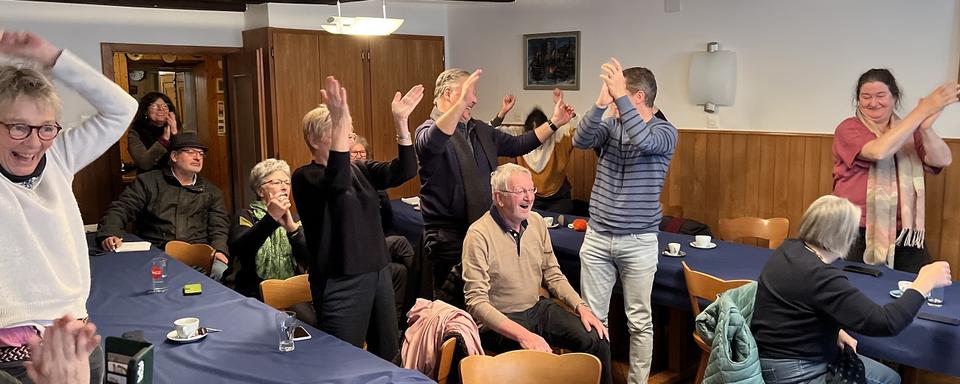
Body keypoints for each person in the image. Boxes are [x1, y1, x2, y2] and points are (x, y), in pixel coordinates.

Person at [0, 31, 138, 383]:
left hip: (75, 338)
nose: (33, 142)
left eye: (45, 128)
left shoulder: (59, 156)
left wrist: (51, 57)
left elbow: (122, 109)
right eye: (18, 127)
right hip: (12, 355)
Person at [752, 195, 953, 384]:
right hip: (795, 371)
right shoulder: (820, 276)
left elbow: (794, 310)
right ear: (845, 237)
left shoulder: (789, 250)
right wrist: (923, 284)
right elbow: (886, 323)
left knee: (887, 376)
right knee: (889, 380)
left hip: (767, 358)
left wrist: (834, 331)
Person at [291, 77, 421, 363]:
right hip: (340, 281)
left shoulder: (360, 169)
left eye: (348, 134)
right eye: (339, 133)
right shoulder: (305, 177)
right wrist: (339, 120)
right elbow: (336, 183)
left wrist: (401, 124)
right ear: (314, 140)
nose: (348, 141)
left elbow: (406, 170)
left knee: (388, 356)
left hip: (377, 273)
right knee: (342, 361)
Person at [416, 68, 574, 293]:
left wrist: (555, 122)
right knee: (451, 309)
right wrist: (460, 104)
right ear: (449, 94)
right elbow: (433, 142)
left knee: (484, 303)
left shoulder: (479, 130)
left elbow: (519, 145)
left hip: (484, 233)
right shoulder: (427, 130)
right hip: (449, 240)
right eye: (469, 92)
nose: (474, 99)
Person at [574, 58, 677, 383]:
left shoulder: (666, 132)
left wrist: (618, 98)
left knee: (639, 321)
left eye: (621, 94)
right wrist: (600, 103)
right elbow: (580, 140)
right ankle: (597, 379)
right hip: (598, 238)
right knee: (593, 318)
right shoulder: (611, 125)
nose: (615, 100)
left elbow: (644, 141)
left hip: (639, 241)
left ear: (638, 98)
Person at [462, 163, 613, 384]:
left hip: (536, 308)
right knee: (537, 363)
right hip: (499, 320)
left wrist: (582, 307)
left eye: (531, 190)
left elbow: (552, 273)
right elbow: (475, 302)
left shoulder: (537, 222)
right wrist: (525, 336)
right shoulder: (478, 234)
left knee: (596, 338)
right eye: (520, 191)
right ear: (499, 197)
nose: (529, 197)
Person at [833, 69, 957, 273]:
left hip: (905, 232)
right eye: (866, 97)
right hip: (853, 229)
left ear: (894, 97)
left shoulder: (910, 131)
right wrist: (922, 111)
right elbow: (879, 151)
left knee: (918, 286)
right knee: (854, 292)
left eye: (881, 96)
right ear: (858, 100)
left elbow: (943, 159)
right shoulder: (848, 128)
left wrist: (925, 128)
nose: (873, 103)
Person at [96, 132, 231, 280]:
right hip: (155, 255)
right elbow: (121, 208)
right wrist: (110, 233)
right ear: (174, 156)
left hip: (196, 258)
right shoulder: (149, 182)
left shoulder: (211, 191)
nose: (197, 157)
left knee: (219, 270)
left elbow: (219, 227)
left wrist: (219, 250)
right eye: (190, 152)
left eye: (200, 153)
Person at [349, 134, 417, 327]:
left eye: (362, 152)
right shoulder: (330, 177)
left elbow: (405, 170)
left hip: (375, 244)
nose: (359, 156)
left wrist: (402, 127)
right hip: (358, 252)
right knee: (402, 244)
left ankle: (398, 323)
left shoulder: (370, 174)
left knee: (399, 271)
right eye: (355, 152)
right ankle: (421, 292)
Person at [228, 158, 310, 298]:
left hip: (292, 290)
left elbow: (308, 257)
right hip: (252, 292)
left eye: (287, 183)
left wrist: (292, 230)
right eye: (277, 182)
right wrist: (271, 218)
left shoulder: (296, 218)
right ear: (260, 191)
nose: (284, 187)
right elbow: (241, 250)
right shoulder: (246, 215)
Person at [127, 92, 179, 171]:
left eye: (165, 106)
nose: (161, 109)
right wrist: (164, 140)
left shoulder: (176, 129)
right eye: (154, 106)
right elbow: (144, 163)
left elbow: (185, 159)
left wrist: (175, 133)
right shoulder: (136, 132)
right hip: (149, 180)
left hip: (176, 178)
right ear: (145, 111)